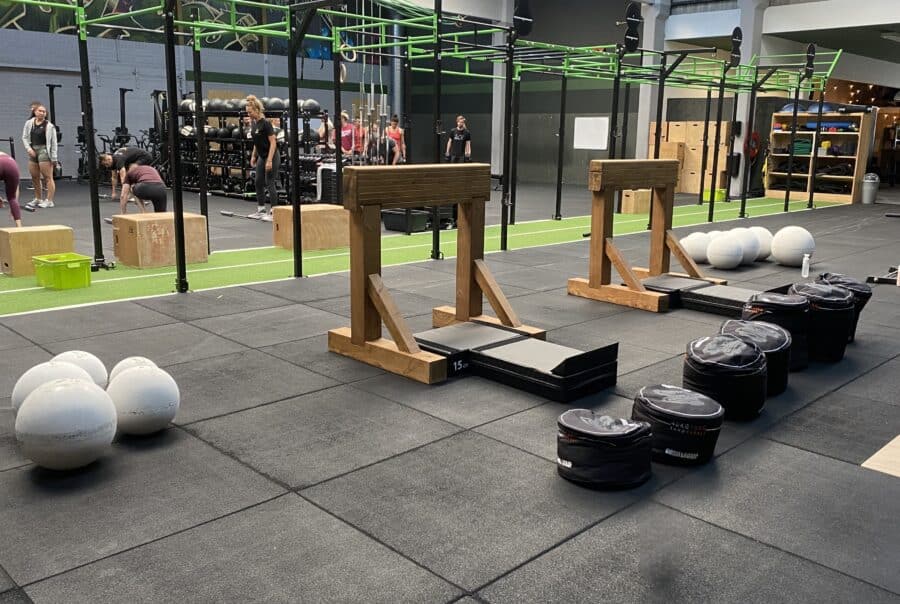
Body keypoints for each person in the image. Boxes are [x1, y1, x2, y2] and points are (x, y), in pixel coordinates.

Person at [246, 94, 280, 220]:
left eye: (250, 112)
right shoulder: (254, 124)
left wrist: (269, 160)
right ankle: (261, 210)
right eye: (247, 112)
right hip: (261, 156)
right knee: (258, 181)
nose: (248, 114)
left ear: (256, 110)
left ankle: (274, 212)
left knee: (269, 182)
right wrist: (253, 156)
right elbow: (257, 142)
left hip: (272, 156)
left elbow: (273, 142)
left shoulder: (266, 123)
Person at [21, 104, 59, 209]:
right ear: (35, 112)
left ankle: (49, 200)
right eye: (40, 111)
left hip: (44, 151)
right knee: (35, 176)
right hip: (33, 149)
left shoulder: (49, 126)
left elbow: (54, 143)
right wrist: (29, 149)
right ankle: (38, 198)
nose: (42, 113)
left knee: (48, 177)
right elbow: (24, 137)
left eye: (44, 111)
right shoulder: (29, 123)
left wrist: (54, 158)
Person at [99, 146, 153, 213]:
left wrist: (127, 192)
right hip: (133, 160)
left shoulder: (118, 160)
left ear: (108, 159)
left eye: (106, 164)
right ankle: (132, 198)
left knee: (131, 171)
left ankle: (142, 210)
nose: (106, 166)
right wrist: (113, 192)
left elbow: (124, 179)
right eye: (105, 165)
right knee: (130, 183)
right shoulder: (111, 161)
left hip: (145, 157)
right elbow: (114, 178)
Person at [0, 151, 23, 227]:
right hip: (11, 164)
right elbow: (16, 189)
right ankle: (19, 227)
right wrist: (14, 207)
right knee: (12, 198)